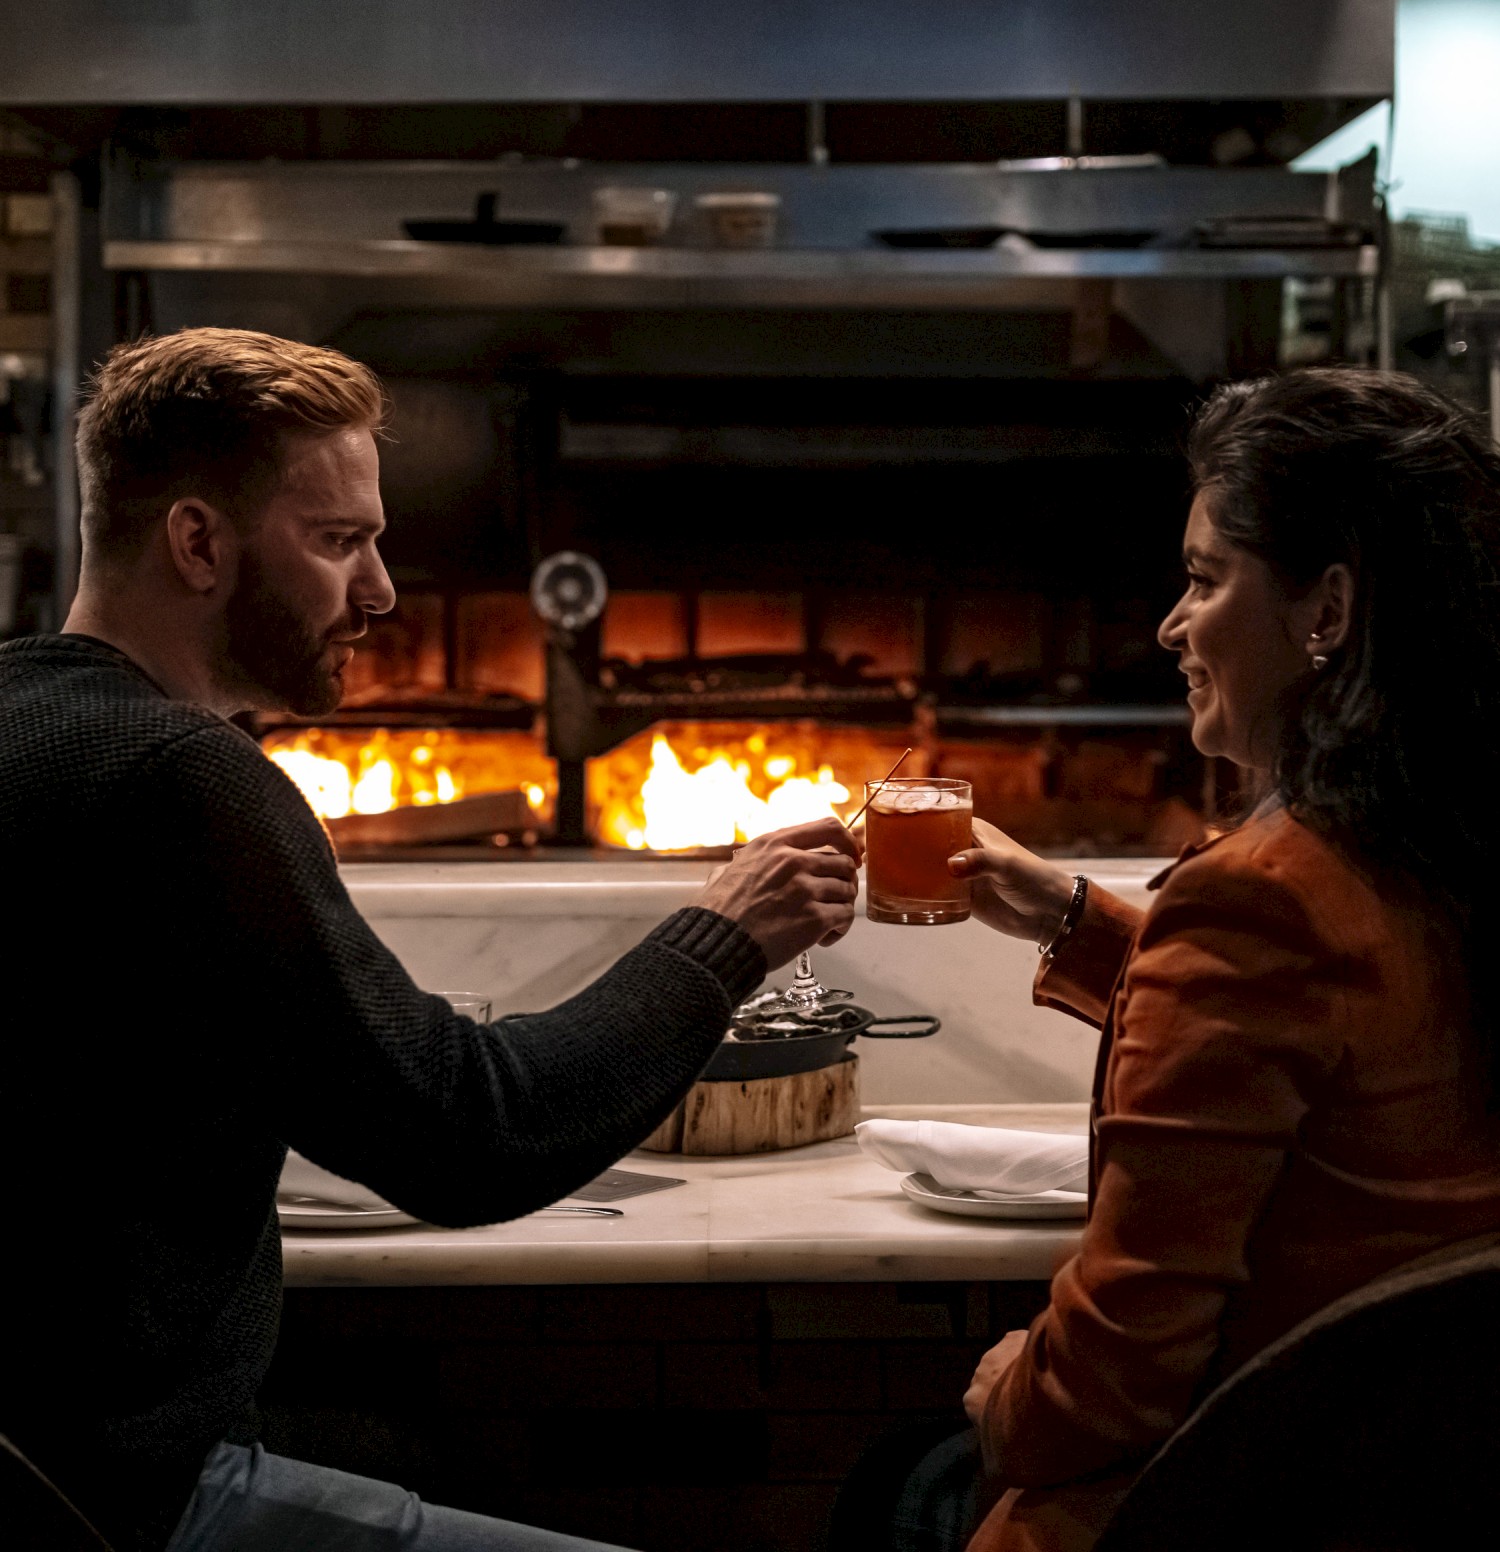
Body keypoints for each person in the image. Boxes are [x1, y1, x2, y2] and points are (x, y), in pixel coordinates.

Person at [0, 328, 860, 1552]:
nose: (383, 591)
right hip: (130, 1504)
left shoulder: (24, 716)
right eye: (339, 540)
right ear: (198, 541)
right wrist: (724, 935)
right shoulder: (184, 776)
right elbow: (473, 1134)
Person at [882, 368, 1500, 1552]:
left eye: (1207, 578)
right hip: (1430, 1489)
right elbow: (1370, 1055)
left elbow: (1115, 1380)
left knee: (906, 1484)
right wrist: (1083, 923)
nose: (1171, 623)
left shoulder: (1258, 904)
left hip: (1250, 1490)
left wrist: (1009, 1391)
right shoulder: (1444, 852)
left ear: (1327, 610)